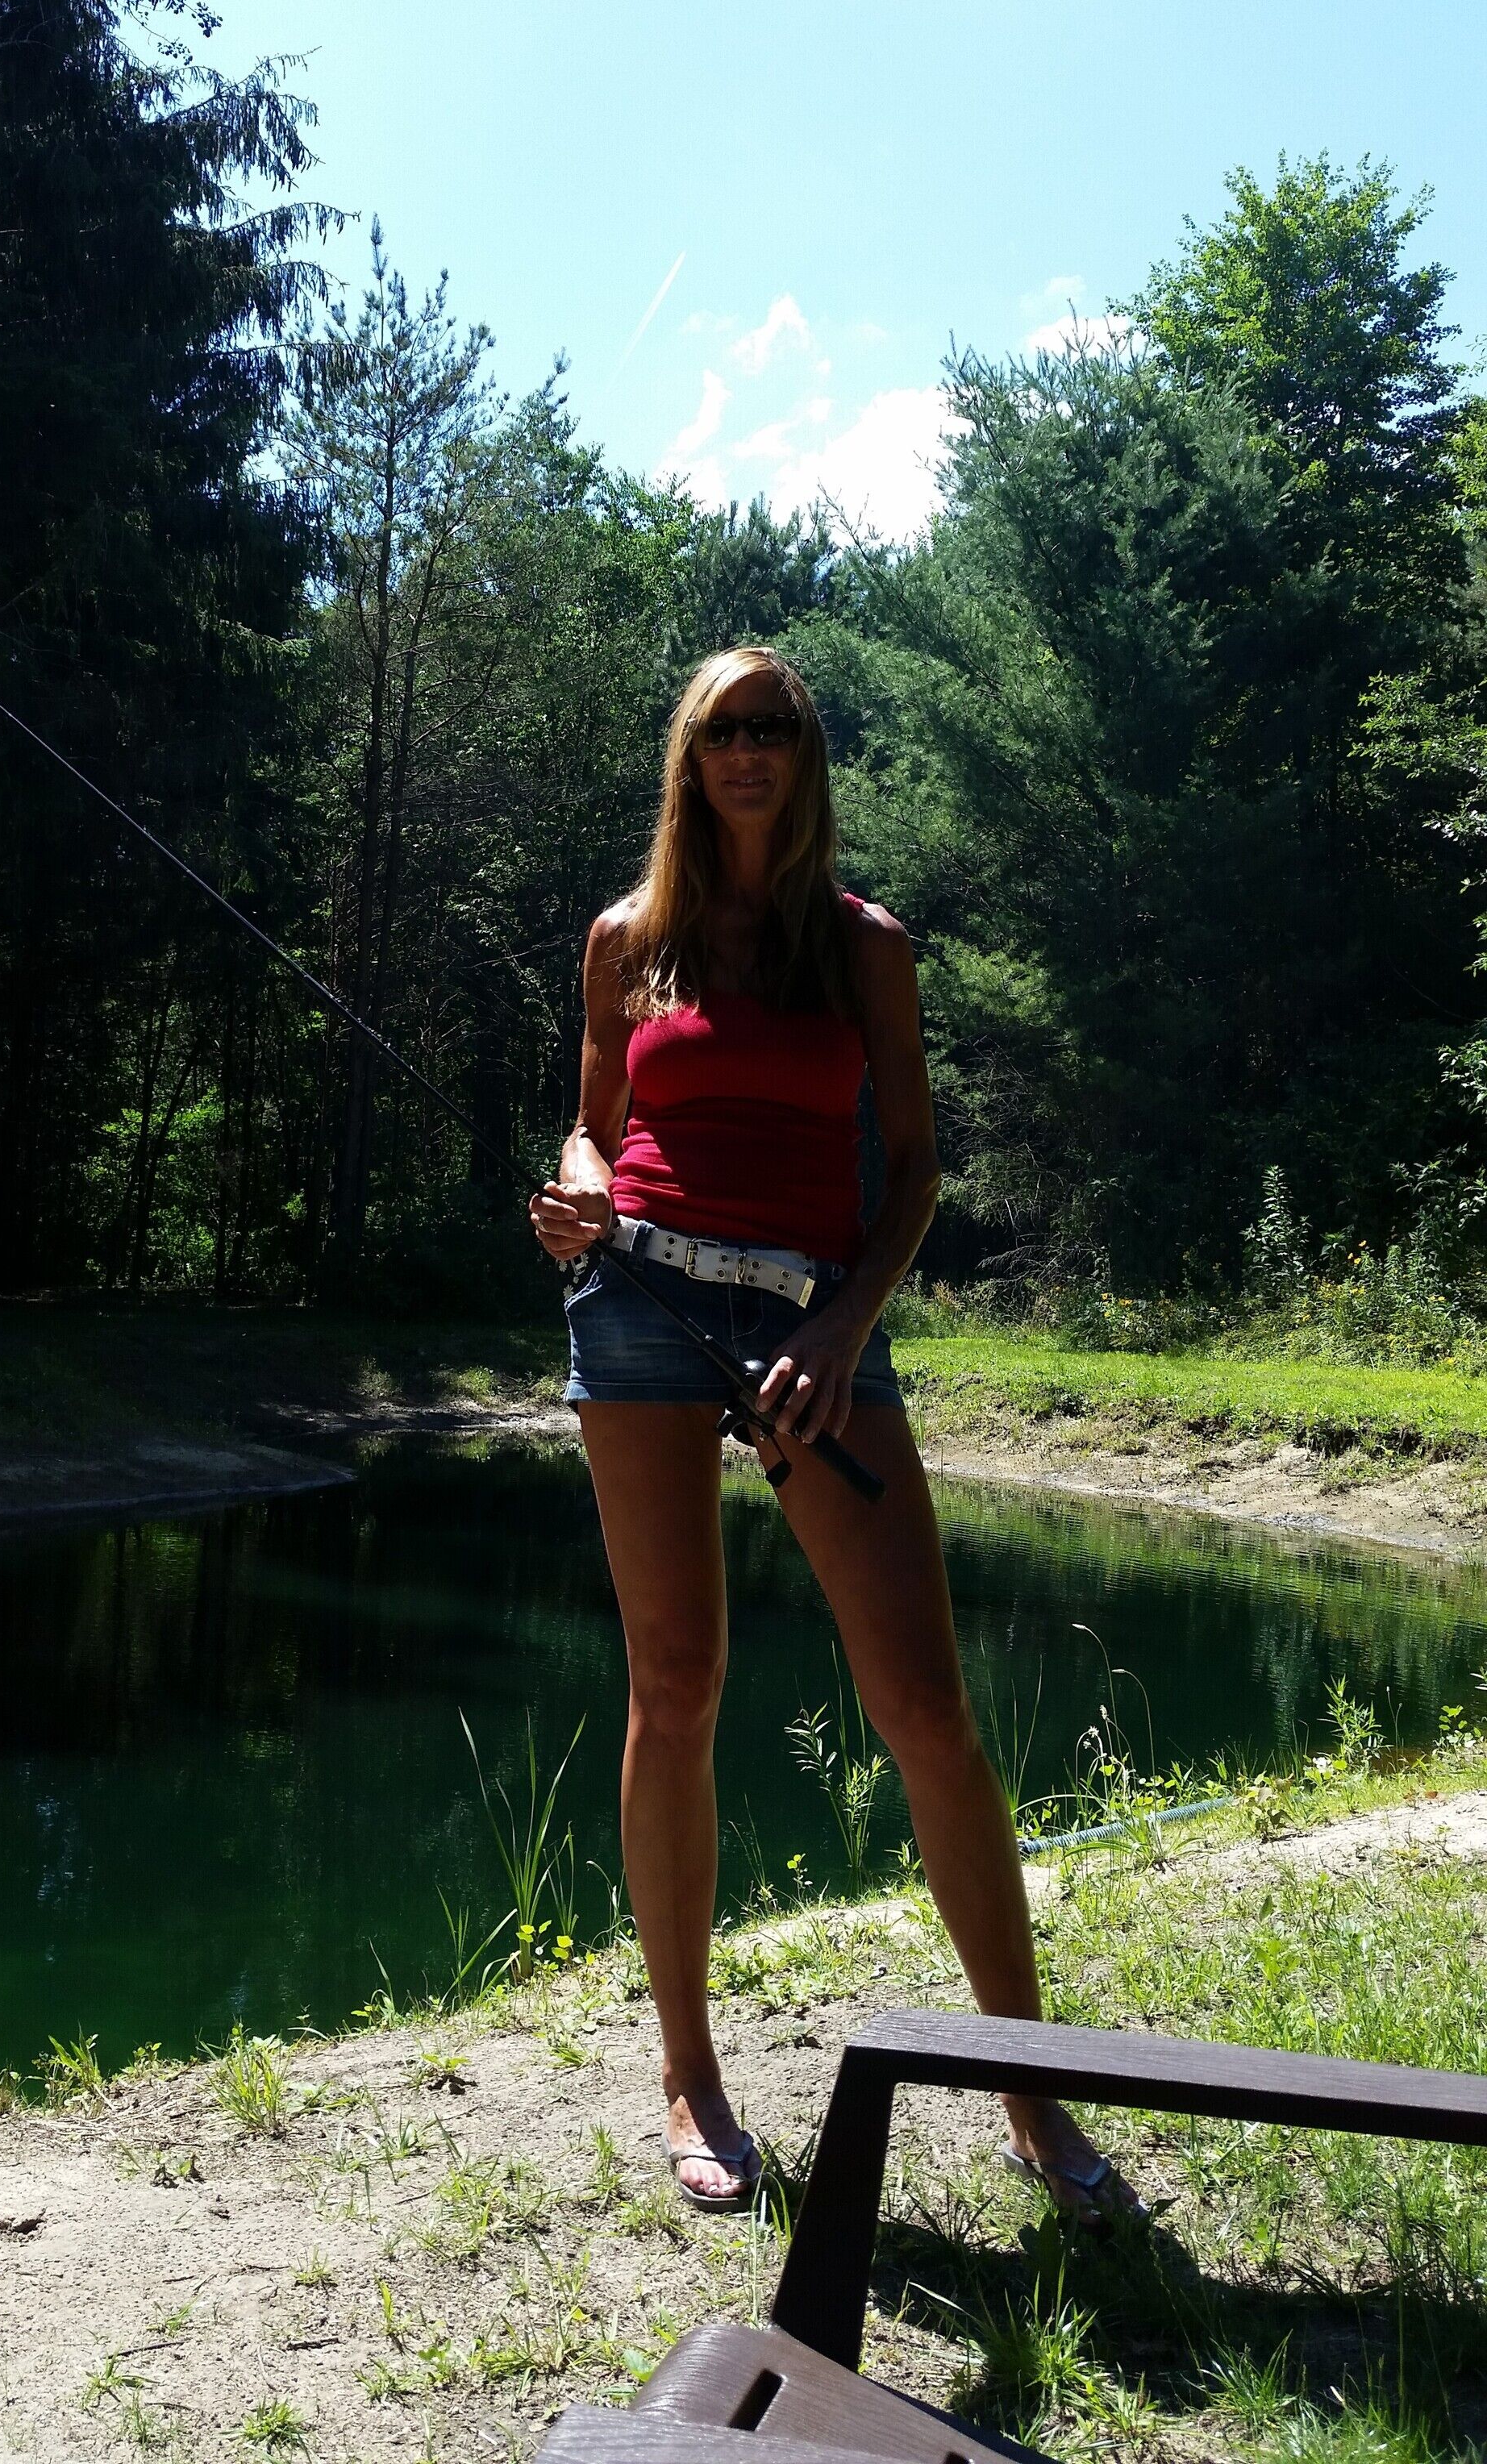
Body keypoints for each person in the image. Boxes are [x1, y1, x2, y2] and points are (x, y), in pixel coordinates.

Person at [529, 645, 1133, 2218]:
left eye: (775, 727)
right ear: (689, 757)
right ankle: (690, 2076)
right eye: (722, 729)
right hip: (641, 1313)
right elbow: (595, 1125)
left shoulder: (866, 945)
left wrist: (843, 1331)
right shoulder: (626, 939)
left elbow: (914, 1170)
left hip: (812, 1320)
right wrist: (579, 1194)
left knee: (924, 1702)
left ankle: (1032, 2094)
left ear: (805, 755)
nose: (748, 749)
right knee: (677, 1682)